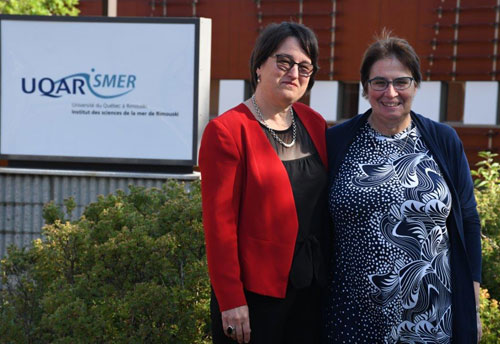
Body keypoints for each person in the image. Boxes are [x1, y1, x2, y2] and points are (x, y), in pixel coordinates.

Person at [324, 31, 482, 343]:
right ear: (365, 89)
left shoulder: (443, 140)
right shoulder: (337, 142)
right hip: (353, 319)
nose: (390, 92)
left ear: (416, 85)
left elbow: (468, 220)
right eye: (379, 82)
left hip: (433, 319)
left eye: (401, 82)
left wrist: (472, 307)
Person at [199, 22, 329, 344]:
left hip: (312, 288)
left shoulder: (314, 123)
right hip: (255, 297)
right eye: (283, 62)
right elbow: (219, 228)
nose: (294, 73)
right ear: (259, 65)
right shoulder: (227, 131)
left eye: (304, 66)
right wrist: (231, 300)